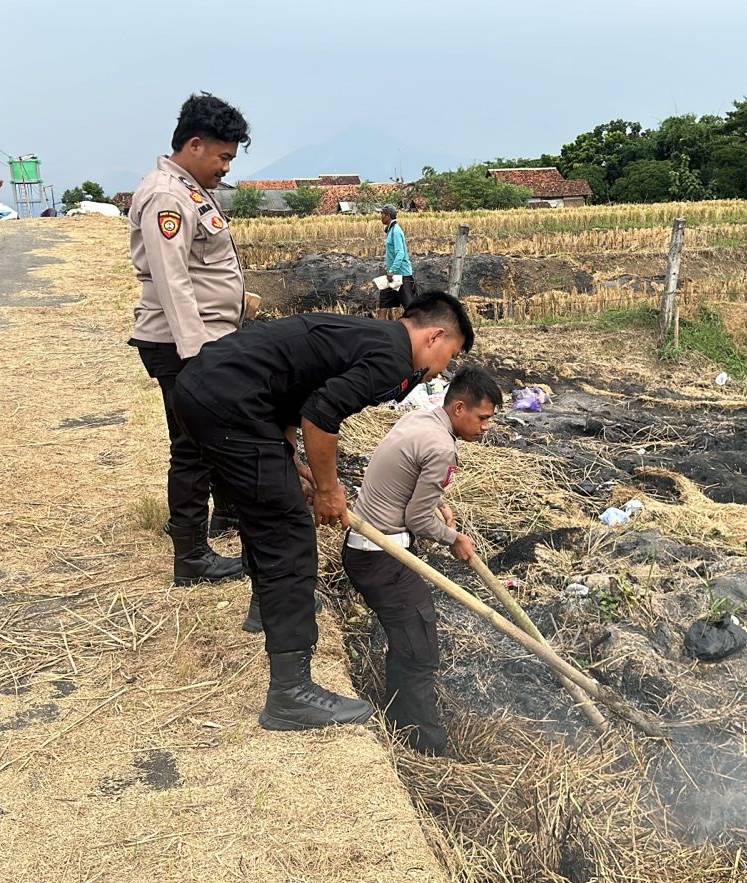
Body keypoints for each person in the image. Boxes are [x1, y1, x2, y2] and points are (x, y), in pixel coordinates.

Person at [171, 291, 475, 731]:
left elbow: (295, 391)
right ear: (436, 336)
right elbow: (321, 413)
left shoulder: (371, 337)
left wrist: (288, 455)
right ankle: (291, 694)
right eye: (450, 354)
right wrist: (330, 488)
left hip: (211, 390)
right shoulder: (392, 357)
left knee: (270, 506)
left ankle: (265, 608)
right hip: (228, 402)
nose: (443, 367)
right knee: (290, 531)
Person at [127, 92, 262, 586]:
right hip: (184, 345)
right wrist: (201, 356)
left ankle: (223, 515)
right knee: (192, 445)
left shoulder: (189, 188)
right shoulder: (167, 195)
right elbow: (172, 280)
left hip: (204, 339)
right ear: (195, 144)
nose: (226, 167)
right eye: (223, 156)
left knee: (213, 434)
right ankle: (191, 557)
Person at [342, 366, 499, 755]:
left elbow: (408, 476)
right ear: (459, 408)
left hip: (365, 546)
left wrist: (440, 502)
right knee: (419, 649)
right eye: (482, 419)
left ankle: (397, 715)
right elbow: (416, 519)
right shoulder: (443, 448)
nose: (485, 429)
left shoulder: (422, 418)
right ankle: (424, 745)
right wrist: (454, 539)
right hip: (382, 555)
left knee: (410, 638)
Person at [376, 204, 415, 319]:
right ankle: (380, 329)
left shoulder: (396, 232)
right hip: (392, 276)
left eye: (382, 215)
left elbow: (400, 253)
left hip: (402, 275)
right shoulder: (391, 230)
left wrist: (392, 270)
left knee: (410, 308)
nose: (381, 217)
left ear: (388, 216)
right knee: (383, 303)